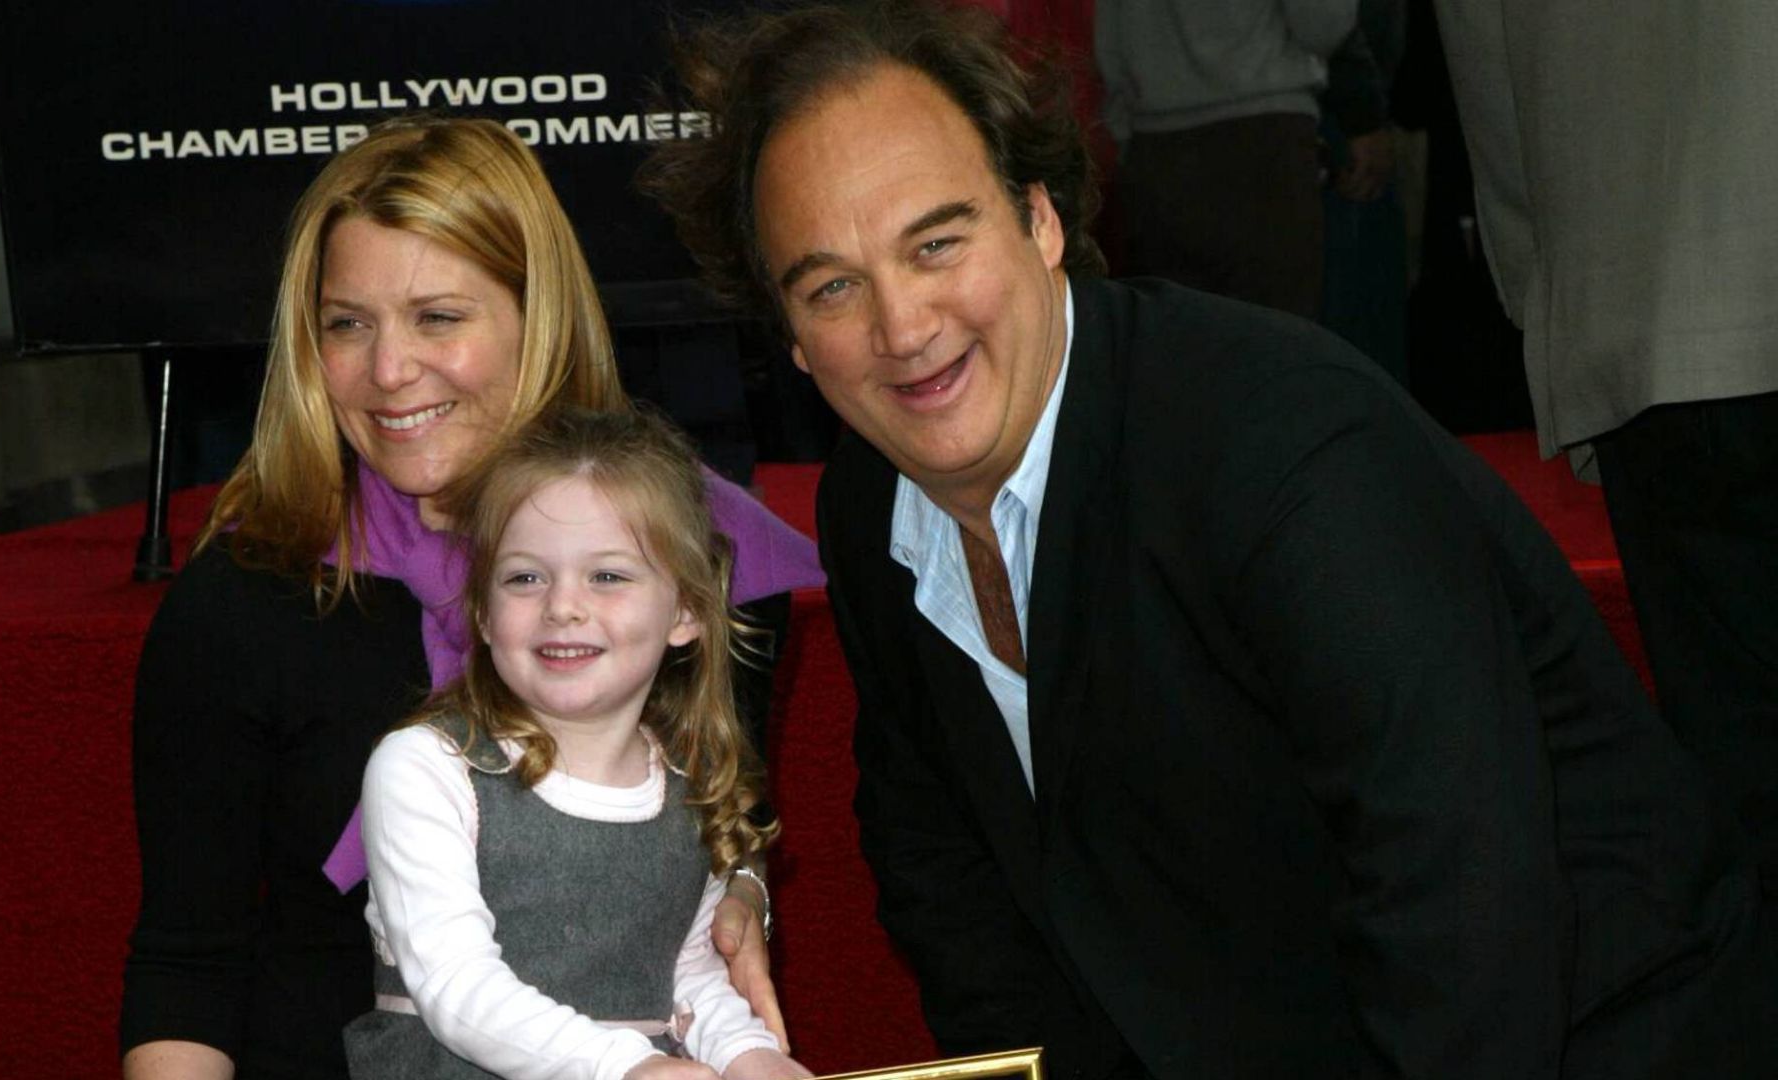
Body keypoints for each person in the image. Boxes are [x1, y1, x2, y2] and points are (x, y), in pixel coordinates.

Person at [641, 2, 1776, 1077]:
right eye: (833, 288)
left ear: (1039, 221)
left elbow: (1465, 918)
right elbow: (954, 889)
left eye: (937, 243)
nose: (903, 327)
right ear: (787, 338)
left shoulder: (1285, 455)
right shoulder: (870, 502)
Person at [122, 118, 823, 1080]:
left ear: (538, 318)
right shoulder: (248, 600)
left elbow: (716, 831)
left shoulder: (699, 563)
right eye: (347, 323)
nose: (389, 370)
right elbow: (187, 962)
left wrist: (744, 888)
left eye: (438, 316)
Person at [1435, 0, 1778, 925]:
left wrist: (1543, 295)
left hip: (1640, 311)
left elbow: (1483, 72)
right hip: (1675, 307)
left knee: (1739, 780)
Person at [345, 407, 813, 1080]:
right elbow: (456, 988)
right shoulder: (428, 767)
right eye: (525, 577)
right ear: (480, 609)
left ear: (686, 609)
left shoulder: (694, 785)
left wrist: (749, 1054)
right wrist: (626, 1067)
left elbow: (689, 979)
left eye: (609, 576)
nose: (563, 605)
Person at [1093, 0, 1356, 317]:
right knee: (1275, 342)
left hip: (1156, 143)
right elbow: (1323, 24)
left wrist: (1126, 133)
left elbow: (1109, 42)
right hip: (1264, 137)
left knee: (1176, 341)